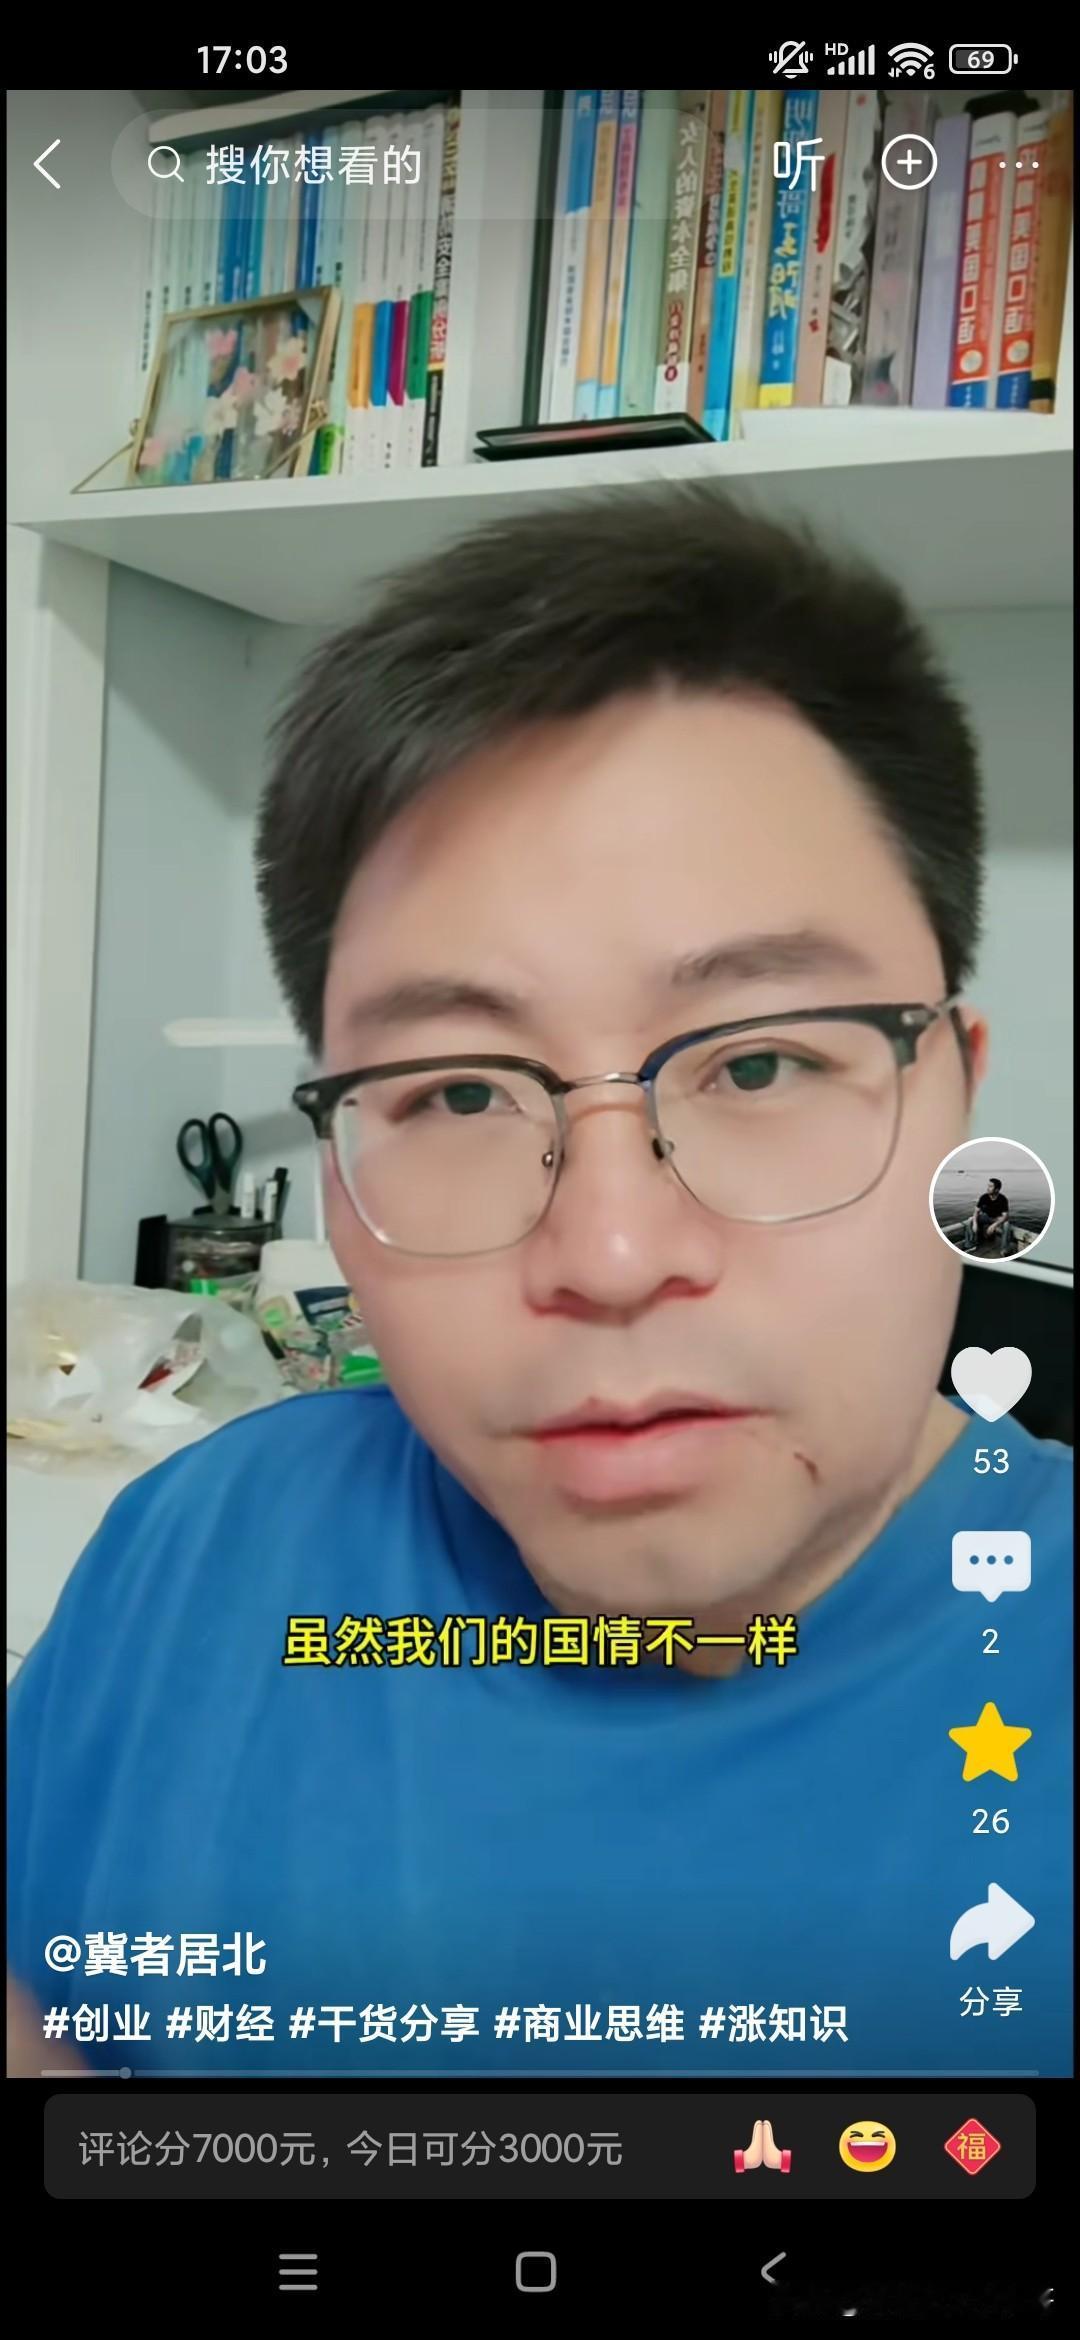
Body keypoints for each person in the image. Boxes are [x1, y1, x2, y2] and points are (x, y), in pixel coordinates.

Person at [8, 488, 1071, 2078]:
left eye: (760, 1063)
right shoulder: (199, 1540)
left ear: (958, 1107)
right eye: (456, 1092)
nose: (613, 1255)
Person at [967, 1175, 1011, 1253]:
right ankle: (970, 1245)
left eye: (990, 1186)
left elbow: (1005, 1216)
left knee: (1006, 1224)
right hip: (986, 1217)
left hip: (997, 1218)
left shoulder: (1003, 1199)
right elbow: (976, 1212)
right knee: (970, 1220)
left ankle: (1004, 1249)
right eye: (988, 1186)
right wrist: (975, 1223)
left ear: (997, 1189)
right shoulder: (984, 1197)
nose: (988, 1188)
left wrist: (994, 1225)